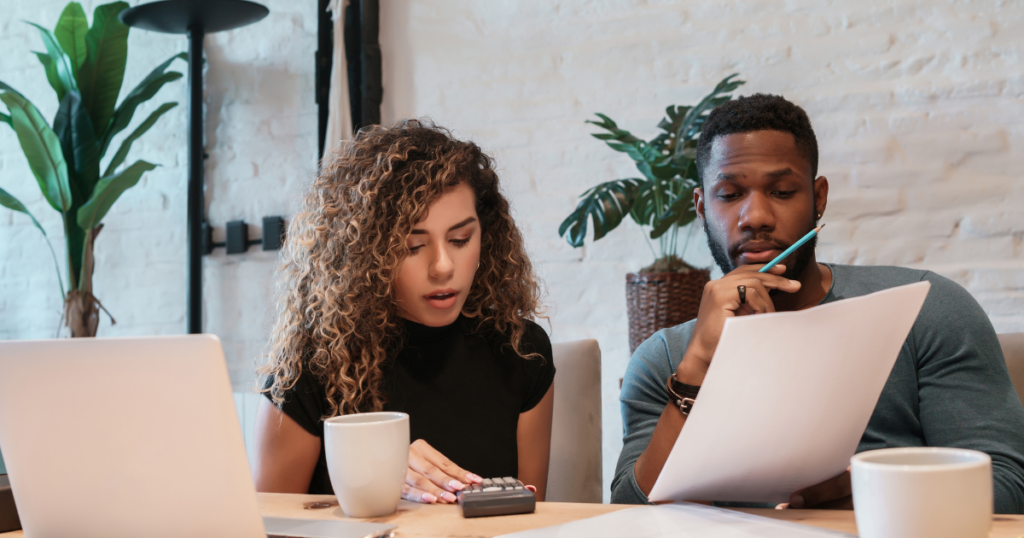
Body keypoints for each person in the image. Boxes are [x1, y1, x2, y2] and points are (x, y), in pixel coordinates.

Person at [611, 93, 1024, 513]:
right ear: (701, 207)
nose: (755, 216)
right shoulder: (664, 360)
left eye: (783, 190)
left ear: (818, 197)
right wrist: (698, 362)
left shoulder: (927, 309)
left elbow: (1008, 487)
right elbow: (628, 513)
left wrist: (874, 498)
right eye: (730, 194)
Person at [254, 120, 555, 503]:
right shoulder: (311, 366)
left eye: (461, 239)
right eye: (413, 246)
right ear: (365, 254)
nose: (443, 266)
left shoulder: (520, 350)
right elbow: (267, 526)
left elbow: (532, 517)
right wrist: (370, 477)